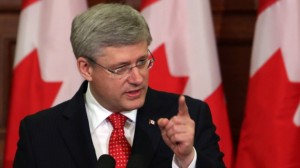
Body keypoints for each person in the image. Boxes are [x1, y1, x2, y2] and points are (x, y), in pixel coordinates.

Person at [13, 3, 225, 168]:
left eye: (142, 62)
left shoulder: (187, 118)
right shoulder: (40, 132)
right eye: (121, 67)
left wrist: (187, 159)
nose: (137, 78)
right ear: (86, 68)